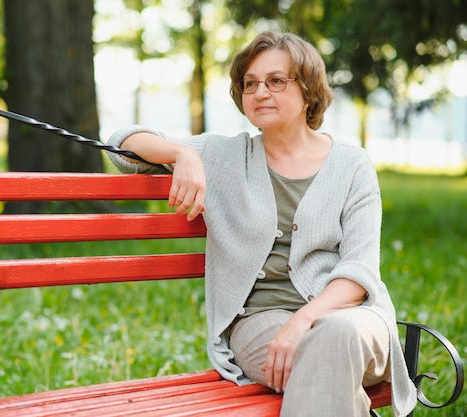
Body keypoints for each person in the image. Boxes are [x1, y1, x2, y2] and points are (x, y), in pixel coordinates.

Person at [105, 31, 417, 417]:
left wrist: (303, 321)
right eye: (250, 84)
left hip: (352, 322)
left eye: (276, 81)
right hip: (259, 326)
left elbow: (358, 272)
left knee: (333, 339)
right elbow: (122, 143)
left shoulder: (352, 165)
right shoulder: (224, 155)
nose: (260, 93)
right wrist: (181, 153)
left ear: (309, 90)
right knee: (324, 363)